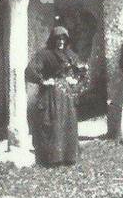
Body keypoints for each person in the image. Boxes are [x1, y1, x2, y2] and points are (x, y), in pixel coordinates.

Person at [24, 25, 87, 166]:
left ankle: (68, 156)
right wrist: (44, 81)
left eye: (64, 39)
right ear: (53, 40)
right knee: (52, 124)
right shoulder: (45, 54)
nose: (61, 42)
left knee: (68, 123)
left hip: (66, 94)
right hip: (51, 95)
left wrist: (74, 79)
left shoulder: (70, 54)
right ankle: (53, 158)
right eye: (58, 39)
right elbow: (30, 71)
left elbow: (81, 69)